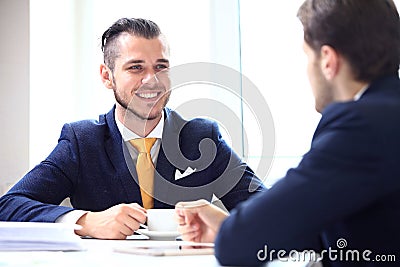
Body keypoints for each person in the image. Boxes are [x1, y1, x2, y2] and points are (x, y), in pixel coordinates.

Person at [176, 0, 400, 266]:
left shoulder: (362, 126)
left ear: (328, 60)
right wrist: (229, 228)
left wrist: (233, 233)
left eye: (308, 56)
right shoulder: (387, 114)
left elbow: (238, 244)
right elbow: (339, 228)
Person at [0, 18, 264, 239]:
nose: (152, 80)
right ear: (107, 76)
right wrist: (87, 222)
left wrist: (224, 225)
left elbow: (266, 207)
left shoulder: (202, 137)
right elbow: (9, 205)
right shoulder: (81, 141)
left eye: (161, 67)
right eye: (136, 67)